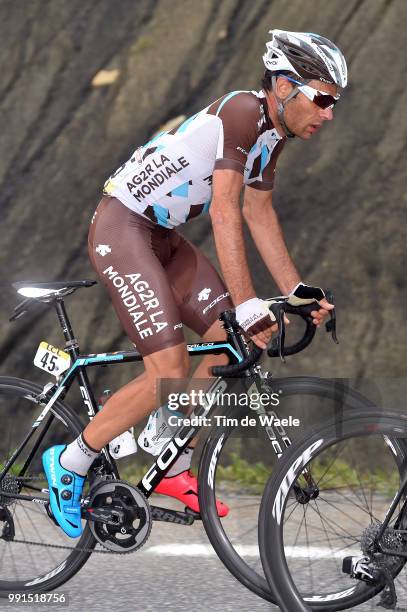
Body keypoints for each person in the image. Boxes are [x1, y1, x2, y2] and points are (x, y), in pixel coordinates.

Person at [42, 29, 347, 537]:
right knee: (170, 364)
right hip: (123, 228)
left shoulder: (271, 136)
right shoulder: (243, 113)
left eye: (334, 102)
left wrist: (298, 291)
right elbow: (225, 210)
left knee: (234, 345)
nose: (328, 113)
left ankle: (172, 459)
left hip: (162, 235)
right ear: (284, 86)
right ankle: (70, 461)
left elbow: (259, 211)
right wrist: (248, 301)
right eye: (322, 98)